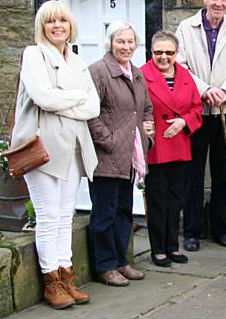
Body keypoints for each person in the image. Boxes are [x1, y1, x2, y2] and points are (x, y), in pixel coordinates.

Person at [11, 0, 99, 309]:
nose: (57, 25)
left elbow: (94, 106)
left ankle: (66, 274)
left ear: (70, 25)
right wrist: (75, 97)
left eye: (62, 19)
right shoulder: (34, 55)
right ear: (42, 27)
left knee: (65, 215)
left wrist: (65, 98)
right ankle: (52, 282)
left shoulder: (76, 60)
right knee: (49, 217)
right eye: (50, 21)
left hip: (73, 147)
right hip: (44, 148)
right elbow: (43, 97)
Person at [176, 0, 226, 251]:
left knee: (223, 172)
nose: (219, 3)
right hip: (196, 108)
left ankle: (221, 229)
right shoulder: (186, 28)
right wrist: (206, 89)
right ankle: (192, 231)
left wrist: (224, 92)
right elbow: (180, 64)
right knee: (193, 173)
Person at [88, 21, 153, 286]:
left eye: (130, 42)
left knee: (124, 211)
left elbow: (146, 108)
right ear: (110, 43)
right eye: (120, 41)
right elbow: (90, 113)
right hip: (107, 155)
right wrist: (109, 141)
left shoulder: (136, 73)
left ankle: (121, 262)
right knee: (104, 214)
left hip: (130, 155)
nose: (126, 47)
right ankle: (104, 266)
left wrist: (147, 136)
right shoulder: (98, 71)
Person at [140, 31, 203, 267]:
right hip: (156, 146)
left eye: (169, 52)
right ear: (151, 53)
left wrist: (184, 121)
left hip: (179, 144)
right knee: (158, 199)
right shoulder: (141, 75)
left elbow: (197, 108)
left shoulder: (185, 75)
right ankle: (158, 249)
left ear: (177, 53)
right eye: (158, 52)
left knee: (176, 198)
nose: (164, 57)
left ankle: (172, 246)